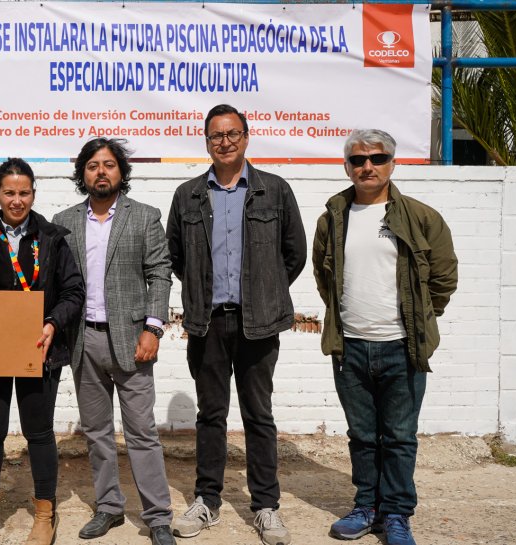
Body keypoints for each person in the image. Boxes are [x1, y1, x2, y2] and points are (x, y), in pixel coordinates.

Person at [166, 104, 306, 545]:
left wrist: (263, 289)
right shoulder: (188, 194)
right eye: (215, 136)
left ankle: (266, 506)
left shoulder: (274, 191)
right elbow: (176, 257)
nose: (223, 142)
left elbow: (294, 254)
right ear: (206, 142)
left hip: (258, 324)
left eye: (231, 134)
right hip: (207, 323)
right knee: (211, 415)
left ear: (246, 137)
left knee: (258, 415)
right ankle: (206, 500)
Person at [313, 130, 457, 545]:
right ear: (347, 167)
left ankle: (396, 514)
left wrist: (421, 319)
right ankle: (366, 507)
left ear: (393, 163)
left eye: (377, 158)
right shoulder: (333, 218)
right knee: (361, 435)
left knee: (398, 437)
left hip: (402, 347)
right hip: (351, 346)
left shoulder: (421, 217)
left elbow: (444, 277)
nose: (367, 166)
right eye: (358, 160)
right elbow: (325, 278)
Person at [0, 158, 85, 545]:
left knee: (39, 433)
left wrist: (52, 324)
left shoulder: (53, 238)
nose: (16, 200)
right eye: (9, 192)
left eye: (23, 192)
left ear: (33, 194)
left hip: (38, 351)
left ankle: (45, 514)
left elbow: (74, 291)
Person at [52, 138, 176, 545]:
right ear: (82, 173)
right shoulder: (64, 222)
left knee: (142, 433)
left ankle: (157, 516)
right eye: (92, 165)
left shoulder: (144, 217)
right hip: (83, 342)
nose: (100, 171)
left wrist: (153, 328)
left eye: (108, 164)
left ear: (121, 171)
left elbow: (160, 273)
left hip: (133, 341)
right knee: (97, 432)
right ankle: (109, 507)